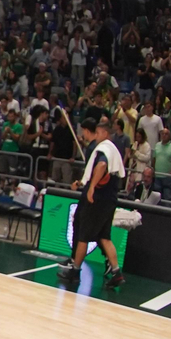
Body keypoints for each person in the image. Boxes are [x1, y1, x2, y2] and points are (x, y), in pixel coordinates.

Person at [59, 114, 125, 287]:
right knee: (104, 236)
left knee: (84, 235)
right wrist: (83, 182)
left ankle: (75, 271)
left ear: (103, 133)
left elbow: (101, 166)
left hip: (98, 199)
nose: (95, 136)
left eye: (97, 132)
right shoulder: (113, 148)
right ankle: (117, 272)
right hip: (110, 199)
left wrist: (92, 187)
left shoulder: (103, 148)